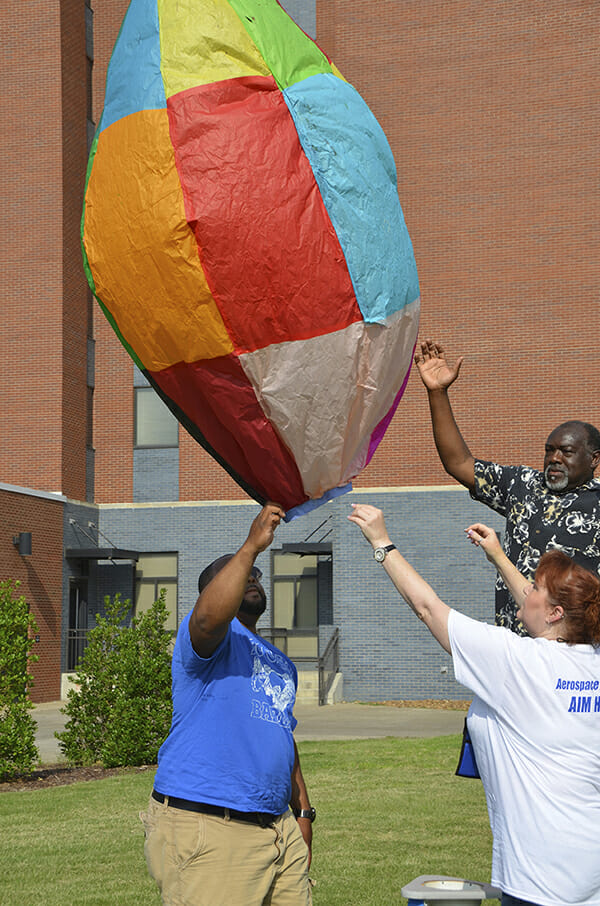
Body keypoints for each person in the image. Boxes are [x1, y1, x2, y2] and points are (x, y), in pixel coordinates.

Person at [349, 502, 600, 906]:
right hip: (589, 870)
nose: (527, 591)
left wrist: (382, 542)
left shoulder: (519, 663)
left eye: (535, 588)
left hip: (540, 877)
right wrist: (499, 557)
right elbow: (551, 611)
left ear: (553, 612)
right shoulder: (592, 659)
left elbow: (428, 608)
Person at [141, 503, 315, 906]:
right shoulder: (204, 640)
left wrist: (302, 812)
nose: (252, 578)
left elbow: (281, 735)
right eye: (240, 574)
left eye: (256, 575)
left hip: (279, 830)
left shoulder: (280, 662)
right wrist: (251, 547)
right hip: (211, 823)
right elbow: (207, 619)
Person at [415, 337, 600, 633]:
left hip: (575, 652)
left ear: (594, 459)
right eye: (549, 450)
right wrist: (437, 393)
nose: (553, 458)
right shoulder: (523, 484)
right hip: (515, 644)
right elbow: (460, 463)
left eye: (565, 452)